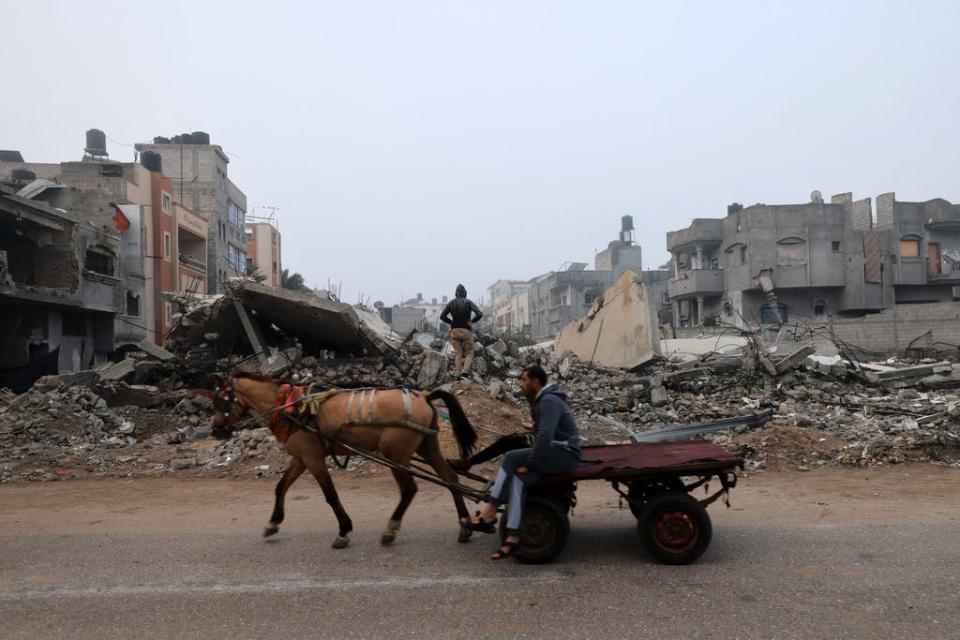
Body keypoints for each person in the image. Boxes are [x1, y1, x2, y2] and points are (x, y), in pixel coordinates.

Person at [463, 365, 581, 560]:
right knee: (518, 478)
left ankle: (490, 512)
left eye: (524, 380)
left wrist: (532, 463)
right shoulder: (542, 400)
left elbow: (545, 437)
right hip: (557, 452)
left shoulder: (549, 401)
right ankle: (513, 535)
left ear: (536, 382)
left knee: (511, 457)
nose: (521, 383)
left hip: (565, 454)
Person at [439, 284, 483, 379]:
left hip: (454, 331)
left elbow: (442, 316)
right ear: (465, 293)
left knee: (458, 353)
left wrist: (451, 322)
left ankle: (458, 374)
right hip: (466, 330)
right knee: (469, 353)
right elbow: (479, 314)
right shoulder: (469, 303)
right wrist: (472, 322)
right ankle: (465, 372)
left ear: (456, 293)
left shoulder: (451, 303)